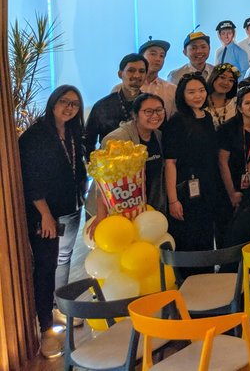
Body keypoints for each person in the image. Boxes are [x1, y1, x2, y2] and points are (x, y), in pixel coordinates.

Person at [20, 86, 87, 356]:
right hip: (45, 214)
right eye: (64, 102)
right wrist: (45, 214)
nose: (69, 107)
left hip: (70, 207)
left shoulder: (71, 131)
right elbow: (31, 179)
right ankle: (45, 328)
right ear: (52, 103)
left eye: (75, 103)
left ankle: (57, 308)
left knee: (64, 260)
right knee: (46, 266)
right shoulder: (36, 136)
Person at [164, 74, 228, 251]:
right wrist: (173, 200)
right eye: (191, 92)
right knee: (189, 235)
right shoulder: (176, 122)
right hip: (186, 186)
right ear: (182, 95)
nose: (198, 96)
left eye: (201, 90)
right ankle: (189, 277)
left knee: (206, 233)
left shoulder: (206, 116)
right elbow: (170, 163)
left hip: (208, 185)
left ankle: (206, 275)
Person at [90, 93, 169, 230]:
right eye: (148, 111)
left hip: (143, 207)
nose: (155, 115)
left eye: (159, 110)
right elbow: (103, 180)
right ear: (135, 114)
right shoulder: (117, 140)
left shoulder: (158, 135)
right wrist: (101, 215)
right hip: (116, 208)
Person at [218, 86, 250, 211]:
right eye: (248, 103)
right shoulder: (228, 129)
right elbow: (222, 162)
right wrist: (231, 193)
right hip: (226, 184)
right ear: (240, 108)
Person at [86, 53, 148, 154]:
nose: (137, 75)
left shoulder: (151, 105)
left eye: (141, 71)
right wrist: (95, 166)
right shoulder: (102, 106)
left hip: (146, 164)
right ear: (120, 74)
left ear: (145, 75)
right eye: (131, 70)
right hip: (111, 166)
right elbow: (87, 141)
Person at [137, 38, 177, 117]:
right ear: (141, 57)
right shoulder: (126, 88)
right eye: (153, 54)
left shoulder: (172, 89)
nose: (158, 59)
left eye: (161, 56)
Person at [205, 63, 240, 129]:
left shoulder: (237, 103)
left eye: (231, 80)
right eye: (222, 77)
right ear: (214, 77)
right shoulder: (201, 101)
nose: (226, 82)